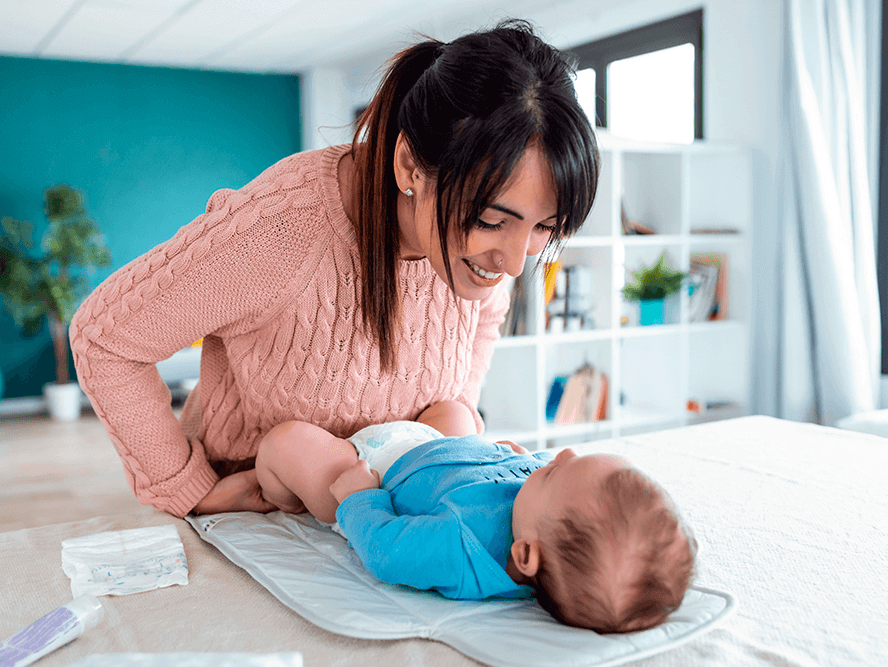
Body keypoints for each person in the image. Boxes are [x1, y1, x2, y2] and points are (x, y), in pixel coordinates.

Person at [69, 19, 599, 519]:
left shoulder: (487, 260)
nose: (512, 262)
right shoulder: (279, 231)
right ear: (410, 166)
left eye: (543, 228)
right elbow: (105, 338)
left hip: (383, 516)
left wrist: (452, 427)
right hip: (262, 520)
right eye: (488, 221)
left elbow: (482, 319)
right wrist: (189, 487)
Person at [254, 400, 697, 634]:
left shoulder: (464, 551)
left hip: (371, 471)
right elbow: (542, 476)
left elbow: (385, 550)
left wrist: (360, 500)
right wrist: (525, 464)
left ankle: (277, 497)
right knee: (457, 410)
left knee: (287, 443)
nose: (559, 453)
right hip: (438, 446)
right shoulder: (544, 518)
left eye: (552, 472)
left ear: (523, 555)